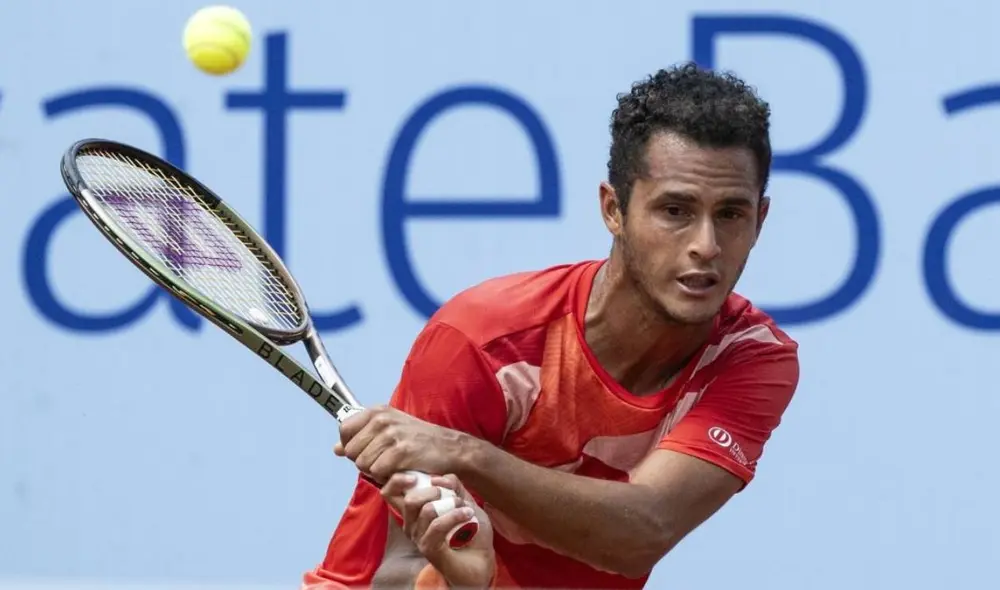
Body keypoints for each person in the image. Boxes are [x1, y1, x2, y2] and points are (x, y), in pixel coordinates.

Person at [301, 62, 800, 589]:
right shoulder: (482, 342)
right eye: (674, 210)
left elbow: (644, 530)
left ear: (760, 219)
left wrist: (466, 454)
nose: (706, 244)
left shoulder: (751, 358)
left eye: (731, 214)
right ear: (614, 210)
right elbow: (381, 576)